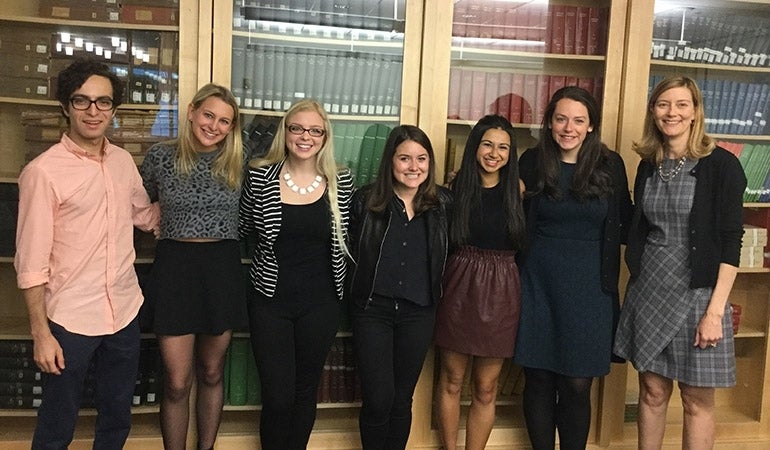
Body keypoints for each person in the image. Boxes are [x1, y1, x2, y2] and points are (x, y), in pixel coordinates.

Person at [14, 57, 159, 449]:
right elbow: (29, 264)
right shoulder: (43, 173)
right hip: (69, 321)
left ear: (114, 108)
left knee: (116, 418)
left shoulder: (122, 161)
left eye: (103, 102)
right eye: (82, 101)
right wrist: (40, 334)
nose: (94, 111)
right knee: (57, 424)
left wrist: (191, 202)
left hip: (124, 311)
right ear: (66, 106)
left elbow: (144, 215)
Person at [614, 76, 746, 449]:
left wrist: (715, 311)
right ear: (653, 113)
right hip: (650, 290)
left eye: (681, 104)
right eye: (663, 104)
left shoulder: (722, 166)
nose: (672, 112)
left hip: (700, 295)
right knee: (652, 391)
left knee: (696, 400)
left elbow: (730, 241)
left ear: (695, 112)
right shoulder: (648, 165)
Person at [513, 86, 633, 450]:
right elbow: (507, 210)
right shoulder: (532, 161)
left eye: (578, 120)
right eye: (561, 118)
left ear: (591, 125)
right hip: (537, 282)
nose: (569, 127)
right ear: (549, 123)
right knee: (538, 378)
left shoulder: (611, 165)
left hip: (591, 287)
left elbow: (626, 221)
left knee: (578, 384)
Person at [238, 98, 354, 450]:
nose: (306, 136)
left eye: (315, 130)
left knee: (306, 392)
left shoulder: (341, 181)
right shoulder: (260, 176)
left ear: (324, 136)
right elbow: (241, 226)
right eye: (297, 128)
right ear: (285, 132)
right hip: (270, 302)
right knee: (277, 397)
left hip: (321, 305)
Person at [139, 83, 245, 450]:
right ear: (192, 111)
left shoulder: (239, 162)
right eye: (208, 115)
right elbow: (137, 201)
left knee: (213, 372)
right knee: (177, 380)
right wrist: (152, 217)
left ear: (232, 128)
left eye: (224, 122)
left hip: (221, 269)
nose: (214, 126)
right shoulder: (160, 157)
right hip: (175, 269)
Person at [348, 125, 452, 450]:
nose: (413, 166)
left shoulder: (444, 204)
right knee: (378, 399)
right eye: (404, 158)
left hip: (419, 313)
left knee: (401, 399)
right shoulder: (366, 201)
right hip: (372, 311)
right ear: (390, 161)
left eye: (421, 158)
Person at [434, 114, 527, 450]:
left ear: (510, 153)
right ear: (474, 146)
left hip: (503, 289)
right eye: (487, 144)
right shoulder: (454, 189)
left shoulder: (518, 191)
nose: (494, 152)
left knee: (486, 388)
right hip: (459, 285)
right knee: (451, 380)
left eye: (503, 147)